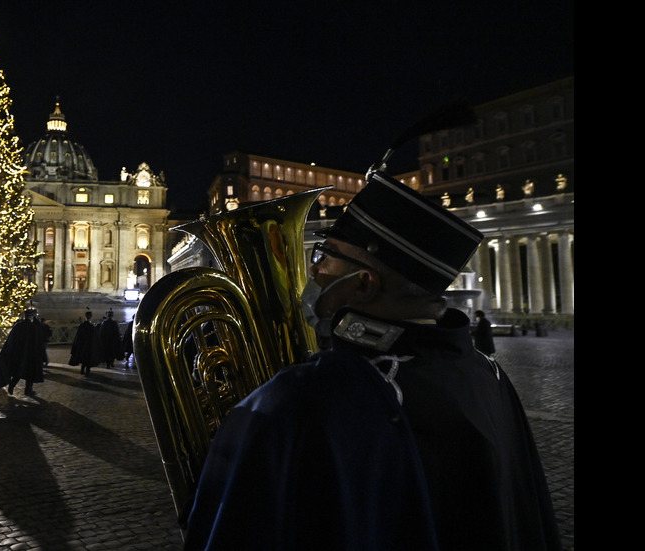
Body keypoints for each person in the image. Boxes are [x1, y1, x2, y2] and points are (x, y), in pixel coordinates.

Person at [184, 170, 561, 550]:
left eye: (324, 256)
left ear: (365, 283)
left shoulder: (304, 400)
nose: (312, 270)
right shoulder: (492, 378)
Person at [1, 309, 46, 396]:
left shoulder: (19, 325)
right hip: (31, 353)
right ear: (31, 316)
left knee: (18, 371)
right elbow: (38, 339)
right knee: (30, 373)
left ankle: (12, 384)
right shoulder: (33, 327)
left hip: (20, 353)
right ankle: (28, 390)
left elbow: (12, 339)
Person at [70, 310, 99, 376]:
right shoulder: (92, 326)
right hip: (89, 345)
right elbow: (94, 338)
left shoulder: (82, 326)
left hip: (82, 345)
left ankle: (82, 370)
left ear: (85, 317)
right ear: (91, 317)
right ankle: (87, 371)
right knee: (88, 358)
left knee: (83, 358)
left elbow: (78, 336)